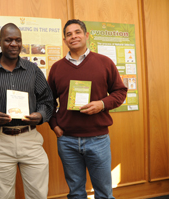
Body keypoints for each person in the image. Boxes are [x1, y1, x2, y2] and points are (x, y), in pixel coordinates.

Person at [48, 19, 127, 199]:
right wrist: (54, 126)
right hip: (67, 141)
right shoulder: (56, 68)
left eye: (77, 32)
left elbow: (120, 91)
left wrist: (102, 104)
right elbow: (48, 101)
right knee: (76, 193)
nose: (73, 36)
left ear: (86, 35)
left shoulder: (104, 62)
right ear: (64, 40)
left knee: (104, 193)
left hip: (98, 139)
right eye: (69, 34)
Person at [0, 23, 54, 199]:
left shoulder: (33, 70)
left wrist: (40, 115)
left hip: (30, 140)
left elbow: (47, 100)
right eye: (8, 40)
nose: (14, 44)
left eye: (18, 40)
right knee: (1, 196)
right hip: (0, 141)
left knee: (38, 195)